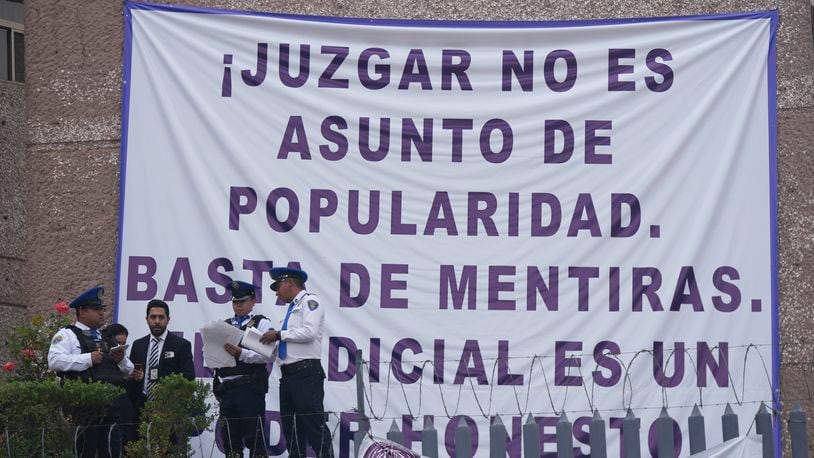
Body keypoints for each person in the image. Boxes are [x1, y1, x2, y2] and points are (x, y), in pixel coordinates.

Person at [48, 285, 134, 458]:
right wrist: (87, 359)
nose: (101, 313)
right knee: (84, 451)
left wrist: (121, 359)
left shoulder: (107, 337)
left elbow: (129, 370)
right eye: (96, 309)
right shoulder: (67, 335)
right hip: (84, 409)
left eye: (102, 309)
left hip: (111, 407)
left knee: (111, 451)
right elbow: (54, 361)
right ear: (82, 311)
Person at [260, 267, 334, 458]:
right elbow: (289, 346)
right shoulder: (291, 309)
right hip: (288, 375)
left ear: (289, 283)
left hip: (306, 373)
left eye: (278, 286)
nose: (276, 292)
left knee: (313, 425)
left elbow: (309, 332)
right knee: (291, 429)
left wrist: (278, 334)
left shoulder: (310, 302)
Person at [213, 280, 275, 457]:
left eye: (242, 301)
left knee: (254, 440)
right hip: (227, 389)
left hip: (250, 388)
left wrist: (242, 354)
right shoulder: (224, 325)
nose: (238, 306)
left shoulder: (261, 323)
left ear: (253, 301)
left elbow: (269, 355)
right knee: (230, 442)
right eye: (235, 302)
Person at [127, 299, 195, 441]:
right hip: (141, 407)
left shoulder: (181, 345)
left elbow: (189, 378)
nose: (157, 321)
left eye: (161, 317)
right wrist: (134, 378)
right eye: (153, 317)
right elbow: (131, 379)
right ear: (147, 319)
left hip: (168, 409)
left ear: (168, 319)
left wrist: (169, 397)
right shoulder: (138, 345)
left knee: (168, 450)